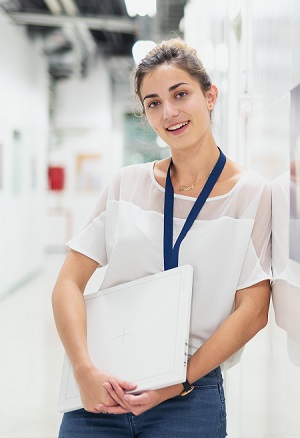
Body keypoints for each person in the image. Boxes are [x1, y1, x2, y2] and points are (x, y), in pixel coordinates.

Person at [52, 38, 271, 437]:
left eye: (180, 94)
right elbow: (68, 282)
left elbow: (253, 310)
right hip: (103, 384)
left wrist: (179, 380)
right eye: (153, 102)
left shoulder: (252, 194)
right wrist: (83, 369)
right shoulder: (126, 185)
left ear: (210, 96)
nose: (168, 112)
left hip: (190, 393)